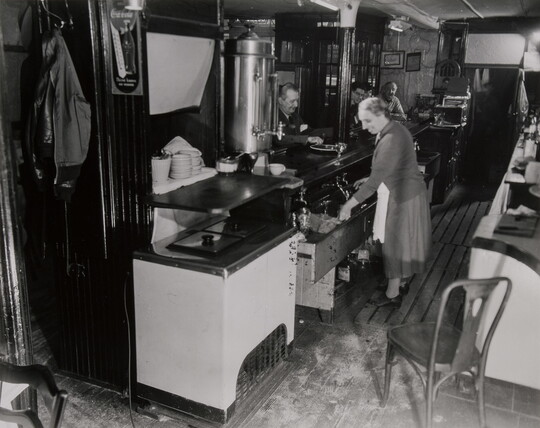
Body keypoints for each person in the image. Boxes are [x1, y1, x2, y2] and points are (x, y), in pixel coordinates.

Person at [338, 97, 432, 307]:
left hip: (402, 197)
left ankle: (392, 296)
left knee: (394, 246)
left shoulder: (390, 138)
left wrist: (347, 206)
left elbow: (373, 184)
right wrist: (372, 177)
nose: (363, 126)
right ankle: (400, 284)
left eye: (367, 121)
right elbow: (391, 166)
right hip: (407, 191)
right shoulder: (395, 129)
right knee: (402, 244)